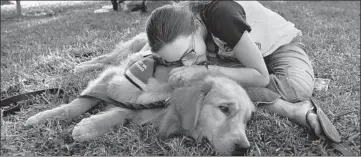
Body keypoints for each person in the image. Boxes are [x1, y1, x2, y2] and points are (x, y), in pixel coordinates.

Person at [143, 1, 341, 143]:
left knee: (295, 88)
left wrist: (205, 70)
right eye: (178, 60)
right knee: (215, 86)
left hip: (278, 50)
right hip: (235, 60)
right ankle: (295, 110)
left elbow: (261, 77)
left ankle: (296, 107)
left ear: (195, 26)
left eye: (189, 53)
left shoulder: (222, 15)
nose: (187, 63)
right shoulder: (183, 38)